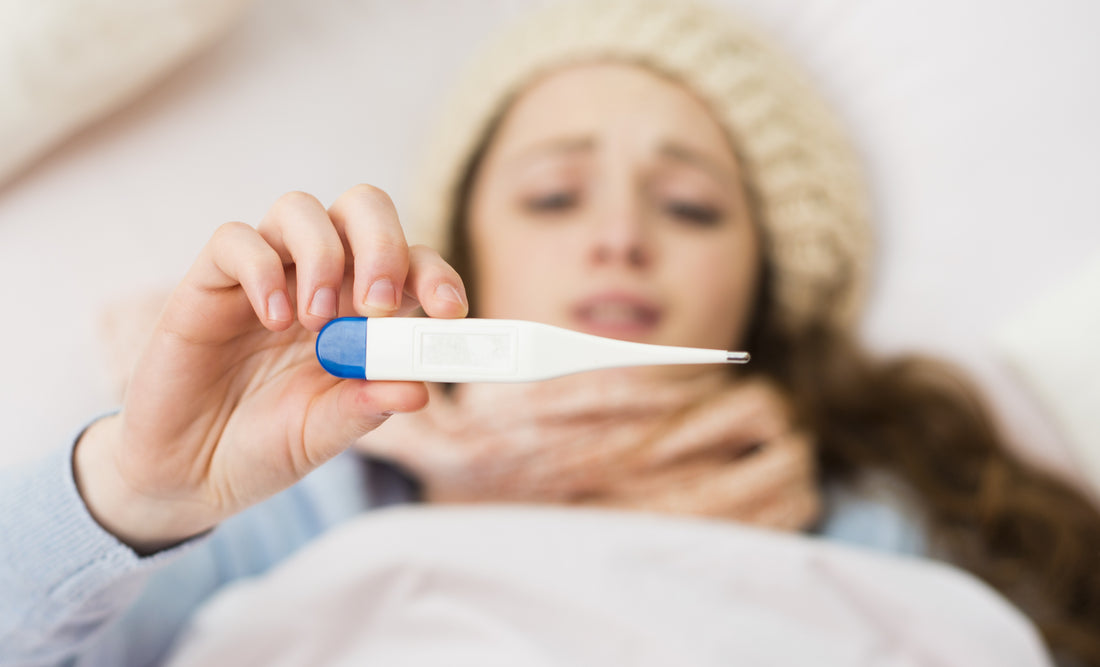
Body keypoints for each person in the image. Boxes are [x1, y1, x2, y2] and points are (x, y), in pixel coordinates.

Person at [2, 0, 1098, 665]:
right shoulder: (293, 492)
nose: (619, 238)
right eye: (553, 195)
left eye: (689, 207)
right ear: (467, 244)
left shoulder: (889, 521)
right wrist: (136, 489)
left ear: (763, 281)